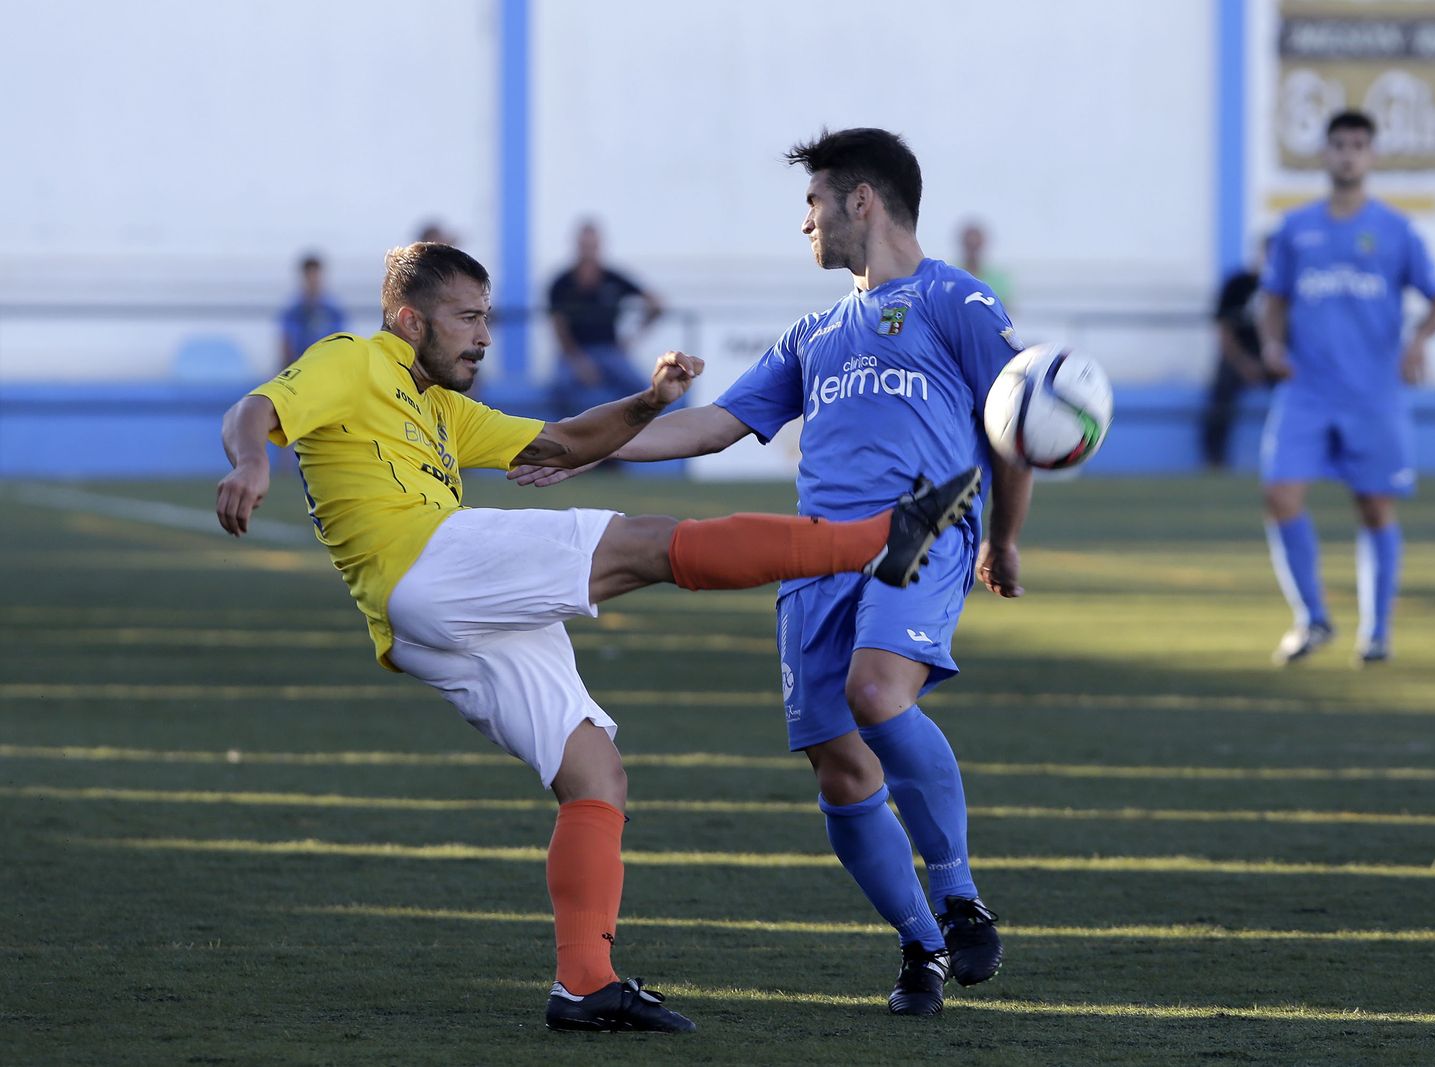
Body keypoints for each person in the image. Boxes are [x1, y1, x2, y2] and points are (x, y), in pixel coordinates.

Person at [214, 242, 978, 1035]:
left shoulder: (440, 406)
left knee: (595, 774)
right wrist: (249, 464)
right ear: (410, 320)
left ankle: (585, 982)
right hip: (427, 562)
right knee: (648, 543)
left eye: (486, 317)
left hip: (429, 619)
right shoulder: (353, 358)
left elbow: (560, 444)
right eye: (467, 318)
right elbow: (256, 410)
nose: (483, 336)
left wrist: (647, 401)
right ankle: (878, 541)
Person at [515, 128, 1033, 1016]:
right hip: (813, 557)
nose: (805, 222)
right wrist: (588, 446)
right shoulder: (815, 333)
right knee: (839, 767)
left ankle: (956, 889)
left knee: (876, 694)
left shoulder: (956, 300)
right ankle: (923, 948)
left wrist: (1004, 535)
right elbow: (713, 425)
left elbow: (1015, 424)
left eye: (813, 202)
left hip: (921, 526)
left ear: (860, 201)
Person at [1259, 109, 1435, 667]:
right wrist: (1272, 345)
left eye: (1358, 145)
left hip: (1373, 394)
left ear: (1372, 156)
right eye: (1339, 144)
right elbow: (1274, 299)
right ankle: (1312, 618)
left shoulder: (1396, 231)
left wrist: (1419, 342)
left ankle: (1377, 630)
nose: (1348, 154)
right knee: (1279, 494)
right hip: (1307, 390)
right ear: (1324, 154)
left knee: (1373, 508)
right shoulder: (1296, 229)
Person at [546, 220, 665, 417]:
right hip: (574, 352)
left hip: (609, 351)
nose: (588, 250)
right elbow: (559, 327)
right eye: (585, 246)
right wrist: (578, 361)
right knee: (559, 388)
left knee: (644, 389)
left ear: (600, 246)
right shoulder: (561, 283)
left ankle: (636, 437)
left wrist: (634, 336)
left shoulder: (613, 278)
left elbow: (656, 304)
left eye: (592, 246)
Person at [1201, 234, 1274, 470]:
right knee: (1220, 396)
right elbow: (1224, 331)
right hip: (1238, 357)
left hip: (1274, 358)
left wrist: (1273, 358)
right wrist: (1243, 363)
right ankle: (1215, 460)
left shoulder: (1286, 289)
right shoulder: (1238, 283)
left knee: (1302, 392)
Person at [279, 253, 346, 367]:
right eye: (309, 276)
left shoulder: (333, 311)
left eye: (316, 276)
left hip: (328, 367)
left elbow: (343, 342)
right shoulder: (293, 312)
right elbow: (286, 345)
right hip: (299, 368)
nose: (313, 281)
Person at [956, 220, 1014, 307]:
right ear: (962, 244)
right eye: (969, 245)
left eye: (976, 245)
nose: (973, 250)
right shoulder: (949, 276)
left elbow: (1007, 311)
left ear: (983, 244)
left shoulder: (999, 280)